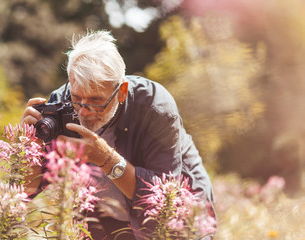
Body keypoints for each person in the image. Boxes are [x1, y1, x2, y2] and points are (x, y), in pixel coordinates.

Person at [21, 30, 215, 240]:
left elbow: (162, 200)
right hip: (101, 215)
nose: (84, 111)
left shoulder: (154, 106)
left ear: (122, 91)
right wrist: (31, 149)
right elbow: (28, 190)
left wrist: (105, 158)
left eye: (96, 100)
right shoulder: (60, 104)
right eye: (77, 98)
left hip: (177, 214)